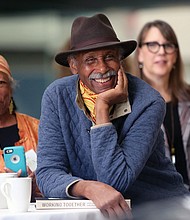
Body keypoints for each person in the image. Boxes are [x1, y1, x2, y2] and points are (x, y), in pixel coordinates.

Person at [36, 14, 190, 219]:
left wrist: (102, 108)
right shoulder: (56, 95)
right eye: (90, 60)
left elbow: (116, 180)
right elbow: (47, 173)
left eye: (109, 57)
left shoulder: (149, 101)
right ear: (74, 66)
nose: (102, 68)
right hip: (100, 212)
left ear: (120, 59)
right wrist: (87, 188)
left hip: (160, 209)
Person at [133, 20, 190, 189]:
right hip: (154, 203)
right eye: (153, 45)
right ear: (140, 54)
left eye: (168, 45)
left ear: (175, 55)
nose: (161, 52)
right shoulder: (128, 104)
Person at [0, 55, 42, 201]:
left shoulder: (37, 128)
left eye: (0, 83)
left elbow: (59, 173)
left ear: (11, 89)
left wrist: (37, 182)